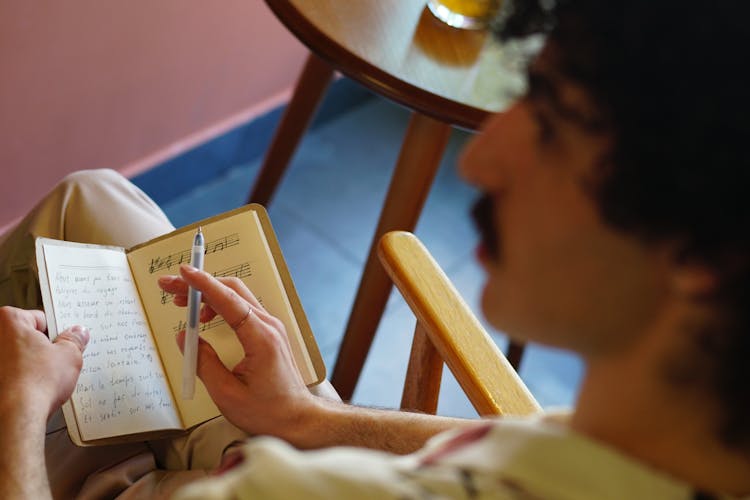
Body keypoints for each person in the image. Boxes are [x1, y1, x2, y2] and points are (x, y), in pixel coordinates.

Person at [1, 0, 749, 498]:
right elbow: (508, 434)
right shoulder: (660, 446)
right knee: (89, 197)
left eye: (552, 126)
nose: (478, 163)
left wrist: (21, 405)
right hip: (277, 440)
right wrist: (306, 419)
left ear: (702, 254)